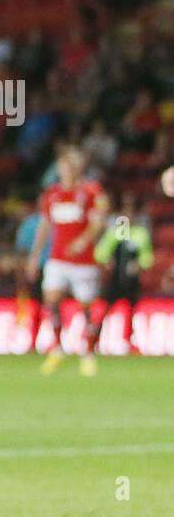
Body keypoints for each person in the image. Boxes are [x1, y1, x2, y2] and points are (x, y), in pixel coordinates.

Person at [26, 147, 109, 376]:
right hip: (57, 259)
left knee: (87, 306)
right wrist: (34, 256)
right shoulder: (51, 194)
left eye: (71, 166)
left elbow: (97, 223)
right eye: (63, 166)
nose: (66, 171)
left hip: (84, 262)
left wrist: (83, 241)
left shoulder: (90, 192)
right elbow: (44, 227)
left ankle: (89, 353)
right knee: (51, 299)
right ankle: (57, 350)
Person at [94, 192, 154, 353]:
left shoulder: (140, 233)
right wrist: (107, 262)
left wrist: (139, 265)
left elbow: (147, 258)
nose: (129, 215)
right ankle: (95, 340)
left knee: (132, 311)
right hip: (113, 280)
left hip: (131, 280)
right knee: (105, 308)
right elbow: (101, 253)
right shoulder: (116, 232)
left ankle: (128, 342)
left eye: (132, 212)